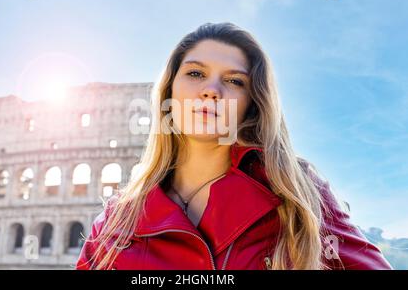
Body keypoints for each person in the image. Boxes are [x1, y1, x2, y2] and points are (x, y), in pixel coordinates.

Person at [76, 22, 392, 270]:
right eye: (196, 73)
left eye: (234, 81)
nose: (211, 90)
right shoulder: (114, 221)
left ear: (251, 105)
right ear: (170, 91)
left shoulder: (298, 193)